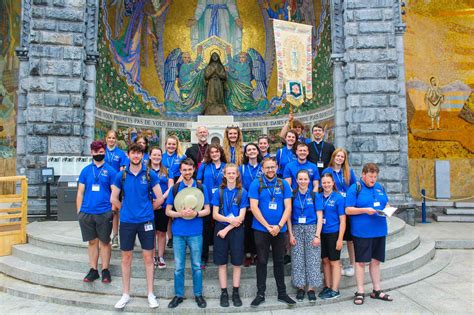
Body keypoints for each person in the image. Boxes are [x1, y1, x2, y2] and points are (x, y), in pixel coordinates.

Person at [111, 143, 165, 309]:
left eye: (139, 153)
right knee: (126, 258)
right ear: (128, 155)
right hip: (127, 222)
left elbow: (160, 198)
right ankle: (125, 294)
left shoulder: (150, 175)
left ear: (143, 156)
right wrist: (126, 210)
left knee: (149, 258)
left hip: (146, 221)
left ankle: (150, 293)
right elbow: (114, 199)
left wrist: (148, 209)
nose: (136, 156)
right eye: (133, 153)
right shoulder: (121, 175)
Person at [248, 157, 296, 307]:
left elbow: (288, 207)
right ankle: (260, 293)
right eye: (267, 167)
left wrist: (279, 225)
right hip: (261, 229)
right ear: (262, 169)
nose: (270, 170)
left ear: (276, 167)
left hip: (279, 229)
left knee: (279, 261)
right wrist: (268, 226)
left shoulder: (283, 184)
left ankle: (282, 293)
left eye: (272, 167)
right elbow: (253, 207)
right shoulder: (256, 183)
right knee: (261, 261)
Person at [345, 163, 393, 305]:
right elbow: (348, 210)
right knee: (360, 262)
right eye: (370, 176)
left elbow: (386, 203)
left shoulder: (379, 187)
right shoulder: (355, 188)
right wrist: (365, 210)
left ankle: (376, 290)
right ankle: (360, 291)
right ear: (363, 175)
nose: (373, 179)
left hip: (379, 230)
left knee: (376, 261)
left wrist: (388, 209)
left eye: (375, 177)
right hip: (362, 232)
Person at [165, 158, 211, 309]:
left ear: (193, 170)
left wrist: (196, 213)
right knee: (179, 266)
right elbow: (168, 210)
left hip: (196, 232)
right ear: (180, 171)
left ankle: (198, 294)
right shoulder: (175, 188)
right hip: (178, 232)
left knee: (197, 266)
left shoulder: (201, 187)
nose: (187, 172)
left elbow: (208, 210)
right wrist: (181, 213)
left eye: (189, 169)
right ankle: (178, 295)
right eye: (184, 170)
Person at [76, 140, 117, 284]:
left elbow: (115, 192)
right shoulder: (86, 170)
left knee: (105, 242)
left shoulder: (111, 171)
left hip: (104, 211)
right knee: (92, 242)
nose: (99, 154)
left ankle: (105, 269)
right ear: (91, 152)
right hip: (87, 212)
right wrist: (79, 211)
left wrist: (112, 210)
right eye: (96, 151)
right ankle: (93, 270)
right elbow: (80, 192)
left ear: (104, 152)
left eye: (101, 151)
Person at [211, 163, 248, 307]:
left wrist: (227, 229)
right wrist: (228, 220)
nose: (231, 175)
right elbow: (215, 214)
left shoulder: (242, 192)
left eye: (234, 173)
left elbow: (241, 217)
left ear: (237, 174)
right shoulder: (218, 192)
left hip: (235, 231)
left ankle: (235, 292)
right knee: (222, 262)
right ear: (224, 175)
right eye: (229, 173)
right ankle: (224, 292)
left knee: (237, 262)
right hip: (220, 227)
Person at [287, 170, 323, 303]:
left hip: (311, 228)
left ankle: (311, 288)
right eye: (300, 179)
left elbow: (320, 216)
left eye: (305, 179)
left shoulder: (315, 195)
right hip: (296, 228)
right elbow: (289, 218)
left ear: (309, 180)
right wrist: (290, 234)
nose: (302, 181)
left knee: (313, 258)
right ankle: (300, 287)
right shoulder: (292, 195)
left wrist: (317, 235)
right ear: (296, 181)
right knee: (297, 259)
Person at [322, 148, 357, 276]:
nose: (339, 158)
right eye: (337, 156)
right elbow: (324, 187)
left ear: (344, 159)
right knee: (337, 238)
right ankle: (339, 265)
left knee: (349, 239)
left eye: (342, 157)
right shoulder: (327, 171)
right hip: (333, 207)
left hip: (346, 207)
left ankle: (353, 264)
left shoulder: (348, 171)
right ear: (333, 157)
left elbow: (354, 187)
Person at [196, 143, 227, 267]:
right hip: (207, 201)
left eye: (217, 151)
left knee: (221, 229)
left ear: (221, 152)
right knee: (205, 230)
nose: (214, 154)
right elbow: (198, 182)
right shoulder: (204, 166)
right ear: (209, 154)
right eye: (212, 152)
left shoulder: (226, 166)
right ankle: (203, 257)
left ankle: (220, 256)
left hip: (222, 202)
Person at [319, 173, 346, 300]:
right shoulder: (319, 197)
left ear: (333, 183)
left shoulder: (338, 198)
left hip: (333, 233)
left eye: (328, 182)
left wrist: (340, 238)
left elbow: (343, 221)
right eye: (324, 182)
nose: (326, 185)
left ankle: (335, 289)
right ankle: (328, 286)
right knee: (325, 260)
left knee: (334, 262)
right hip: (322, 233)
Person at [148, 147, 174, 269]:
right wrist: (153, 201)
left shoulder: (167, 171)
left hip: (163, 205)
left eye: (159, 155)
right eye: (154, 155)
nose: (157, 157)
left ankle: (161, 256)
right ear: (150, 156)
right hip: (150, 206)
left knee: (162, 232)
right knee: (151, 232)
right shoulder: (145, 170)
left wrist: (161, 199)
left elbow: (171, 187)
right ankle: (153, 256)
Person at [239, 143, 263, 266]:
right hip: (247, 204)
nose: (252, 151)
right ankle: (248, 254)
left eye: (254, 149)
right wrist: (246, 204)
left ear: (258, 151)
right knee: (247, 230)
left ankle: (258, 253)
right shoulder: (242, 168)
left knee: (259, 230)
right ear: (246, 153)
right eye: (249, 150)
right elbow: (240, 186)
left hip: (261, 204)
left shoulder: (263, 167)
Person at [104, 130, 128, 249]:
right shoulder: (102, 151)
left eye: (113, 138)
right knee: (104, 210)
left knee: (114, 211)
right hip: (103, 184)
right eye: (109, 138)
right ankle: (104, 235)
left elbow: (122, 170)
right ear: (106, 138)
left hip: (115, 185)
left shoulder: (121, 153)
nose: (111, 140)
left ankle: (115, 235)